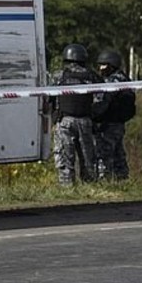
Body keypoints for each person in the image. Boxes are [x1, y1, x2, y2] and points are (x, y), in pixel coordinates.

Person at [52, 43, 100, 185]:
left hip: (64, 121)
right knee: (88, 159)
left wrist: (53, 116)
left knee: (65, 158)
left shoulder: (59, 76)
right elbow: (101, 98)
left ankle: (67, 188)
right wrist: (94, 115)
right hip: (85, 121)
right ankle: (90, 187)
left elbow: (49, 98)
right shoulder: (92, 76)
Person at [92, 49, 135, 181]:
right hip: (119, 124)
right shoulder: (125, 79)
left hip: (107, 124)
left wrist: (94, 116)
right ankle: (122, 179)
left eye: (103, 66)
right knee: (118, 152)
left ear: (111, 65)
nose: (101, 69)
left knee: (104, 154)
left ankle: (104, 180)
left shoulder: (112, 82)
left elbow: (103, 103)